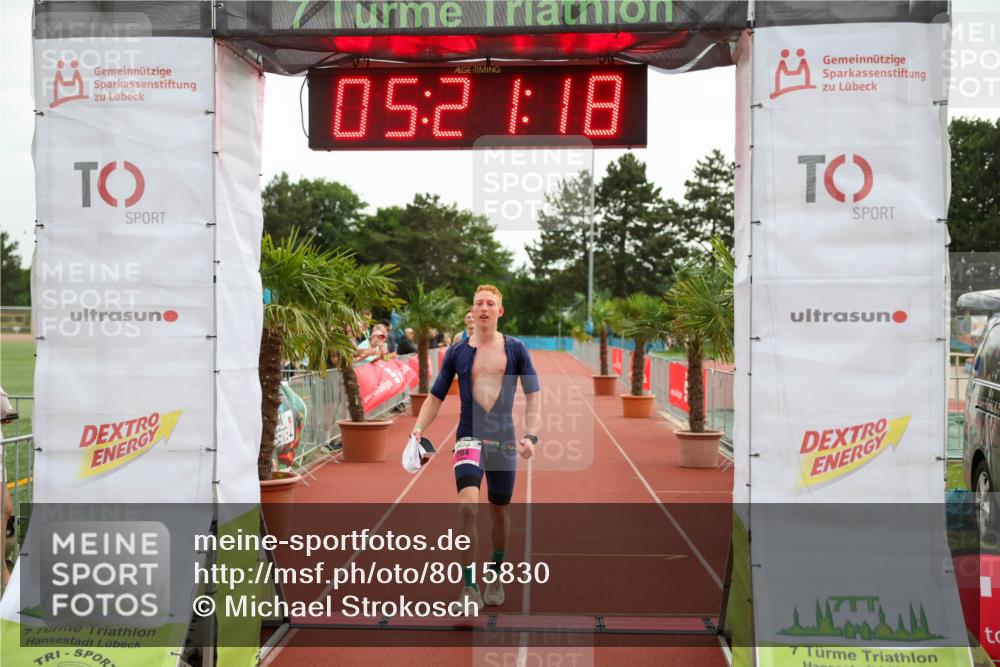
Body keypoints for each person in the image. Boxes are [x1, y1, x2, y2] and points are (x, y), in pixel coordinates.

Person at [410, 285, 541, 613]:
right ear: (473, 310)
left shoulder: (517, 349)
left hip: (504, 440)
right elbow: (436, 395)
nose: (484, 308)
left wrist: (532, 434)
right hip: (468, 437)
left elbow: (534, 394)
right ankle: (469, 585)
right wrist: (417, 429)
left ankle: (495, 574)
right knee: (467, 508)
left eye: (490, 303)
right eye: (479, 303)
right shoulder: (456, 352)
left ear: (500, 311)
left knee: (500, 510)